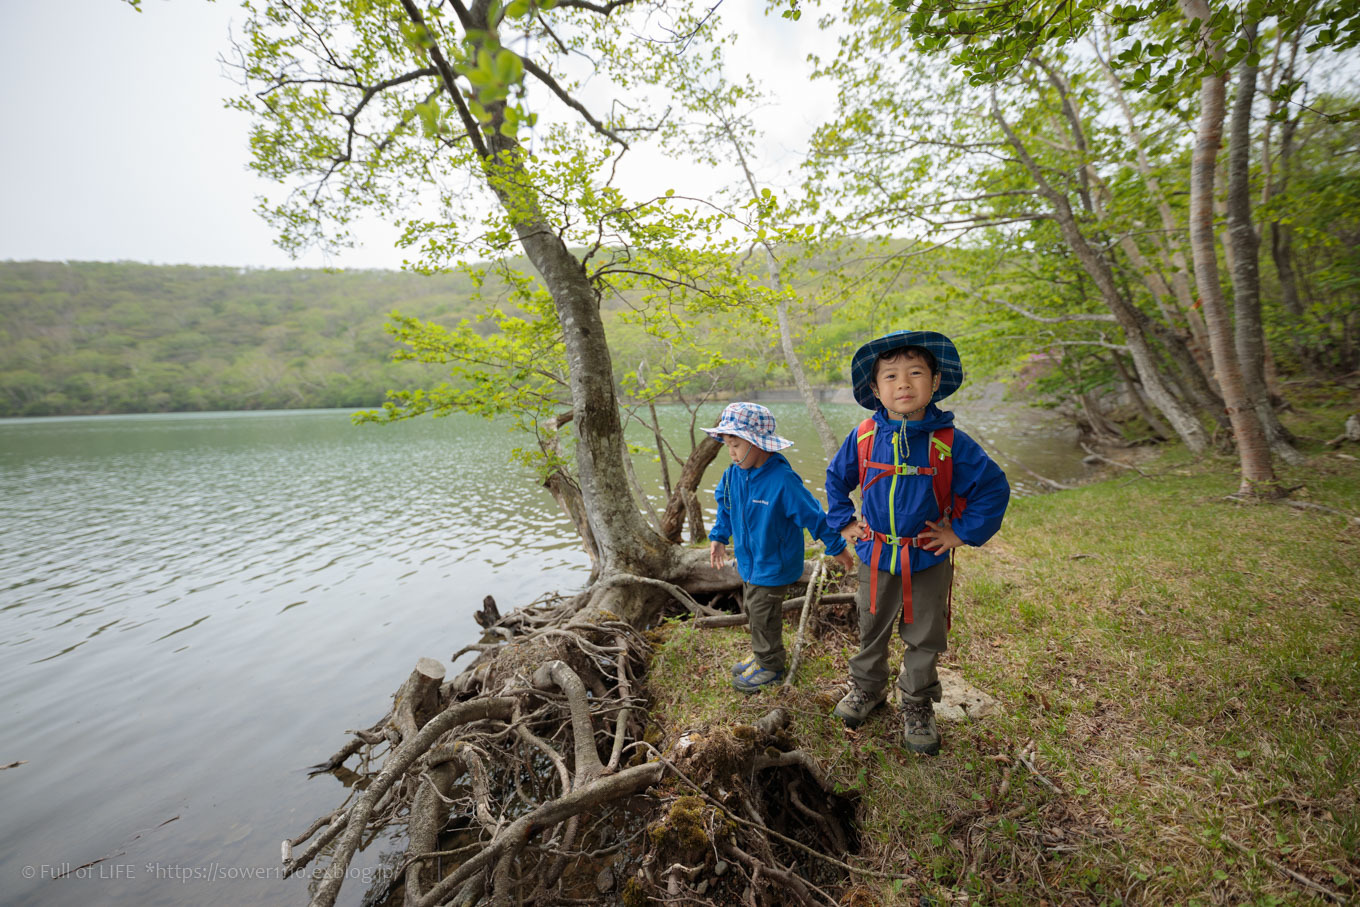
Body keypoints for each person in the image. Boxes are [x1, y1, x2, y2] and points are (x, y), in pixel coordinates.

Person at [825, 330, 1010, 754]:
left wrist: (960, 533)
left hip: (927, 557)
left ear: (934, 381)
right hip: (875, 553)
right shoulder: (864, 437)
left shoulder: (949, 444)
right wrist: (844, 522)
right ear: (875, 390)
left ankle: (917, 703)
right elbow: (837, 480)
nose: (903, 384)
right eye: (889, 376)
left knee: (925, 634)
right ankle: (868, 689)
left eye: (914, 373)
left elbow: (993, 488)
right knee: (871, 626)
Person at [705, 402, 857, 693]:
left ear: (758, 443)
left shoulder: (783, 481)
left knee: (762, 612)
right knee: (753, 608)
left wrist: (838, 547)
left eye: (736, 445)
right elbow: (725, 504)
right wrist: (719, 537)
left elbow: (815, 516)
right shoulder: (733, 474)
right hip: (750, 562)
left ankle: (771, 665)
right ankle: (763, 653)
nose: (732, 453)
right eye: (728, 445)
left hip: (774, 564)